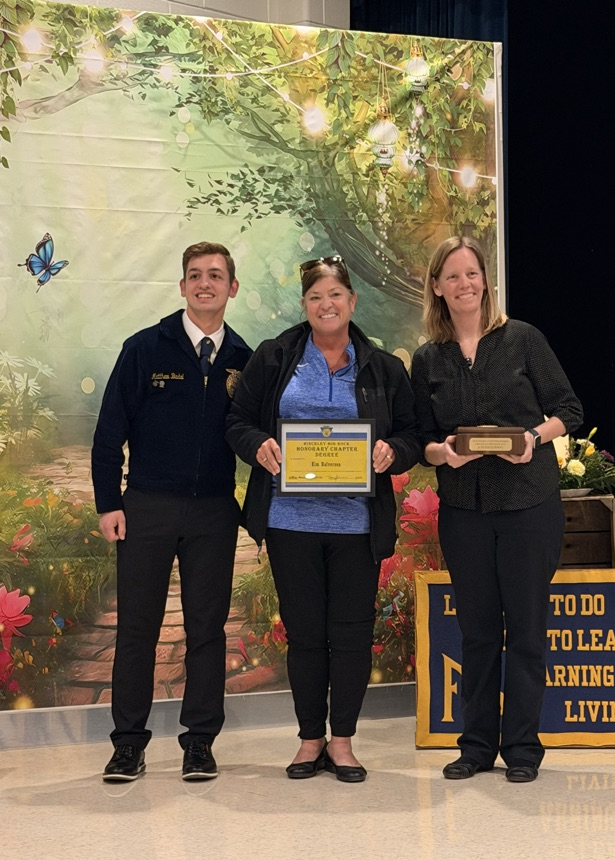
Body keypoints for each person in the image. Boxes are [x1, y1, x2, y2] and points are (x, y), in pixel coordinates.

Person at [226, 254, 421, 782]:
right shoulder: (274, 358)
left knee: (352, 635)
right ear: (305, 306)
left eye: (335, 295)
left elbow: (411, 435)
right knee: (306, 634)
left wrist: (391, 453)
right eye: (315, 297)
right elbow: (237, 422)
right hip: (291, 522)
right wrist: (260, 445)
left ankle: (343, 743)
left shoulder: (382, 367)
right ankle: (310, 739)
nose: (326, 304)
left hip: (357, 527)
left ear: (351, 302)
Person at [410, 236, 583, 783]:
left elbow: (569, 409)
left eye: (473, 274)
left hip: (529, 504)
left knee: (527, 631)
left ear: (486, 281)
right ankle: (477, 745)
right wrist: (439, 453)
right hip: (464, 510)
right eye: (453, 276)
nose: (465, 284)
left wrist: (534, 436)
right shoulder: (427, 358)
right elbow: (420, 438)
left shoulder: (523, 340)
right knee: (478, 633)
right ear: (437, 287)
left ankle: (523, 750)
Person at [92, 242, 252, 782]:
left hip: (213, 512)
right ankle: (128, 744)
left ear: (232, 288)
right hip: (147, 508)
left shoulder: (244, 361)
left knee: (207, 629)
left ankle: (200, 742)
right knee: (138, 627)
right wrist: (108, 503)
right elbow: (109, 433)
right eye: (194, 275)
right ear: (182, 287)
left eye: (215, 275)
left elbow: (260, 441)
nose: (204, 283)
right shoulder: (143, 350)